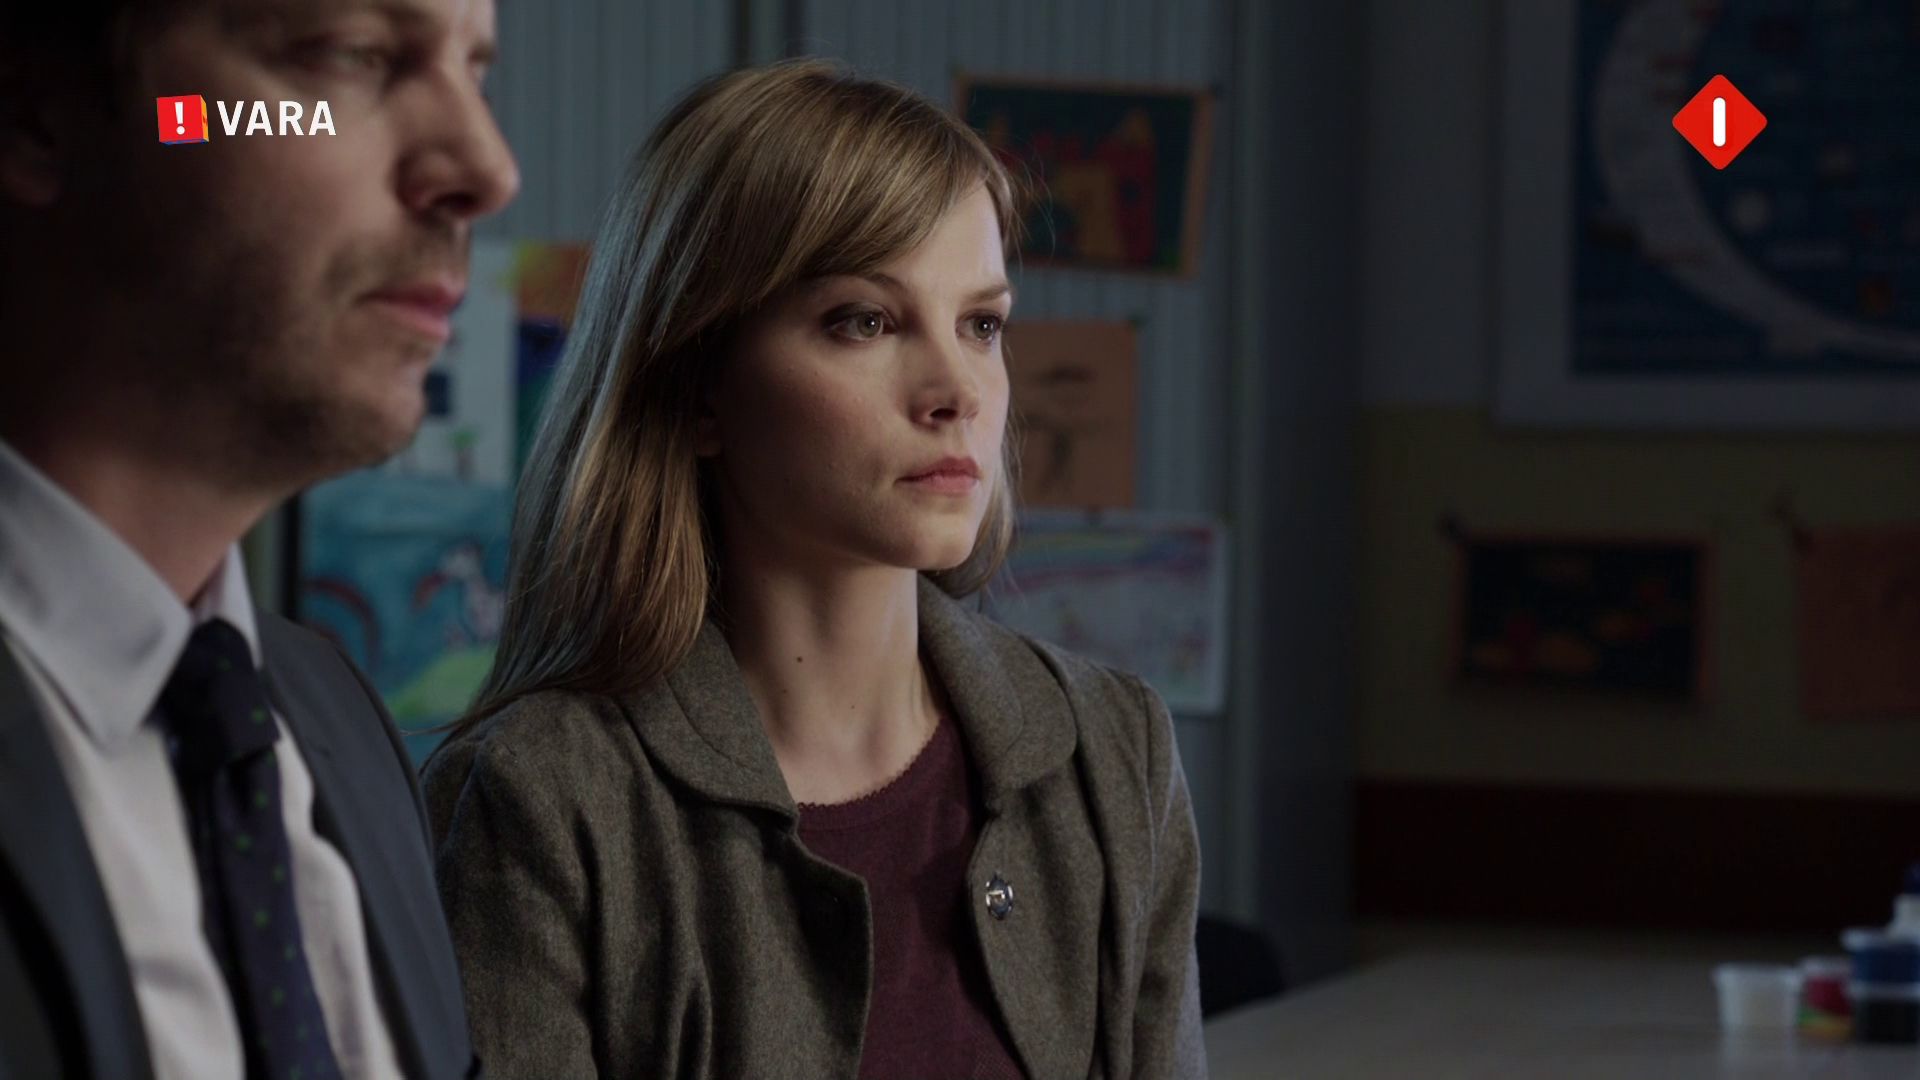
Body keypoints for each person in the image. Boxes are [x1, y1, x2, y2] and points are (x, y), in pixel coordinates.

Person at [425, 58, 1205, 1079]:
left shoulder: (1113, 750)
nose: (958, 390)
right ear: (699, 388)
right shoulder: (541, 800)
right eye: (865, 321)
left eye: (982, 324)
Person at [0, 2, 518, 1077]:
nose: (487, 169)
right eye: (351, 55)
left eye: (476, 71)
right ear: (38, 109)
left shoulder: (343, 729)